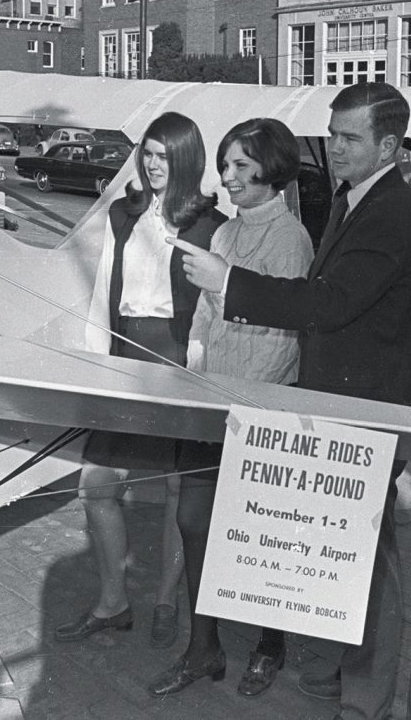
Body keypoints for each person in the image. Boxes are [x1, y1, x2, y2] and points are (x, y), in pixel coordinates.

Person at [174, 82, 411, 720]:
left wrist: (228, 281)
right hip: (344, 404)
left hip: (371, 410)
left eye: (350, 139)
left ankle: (368, 699)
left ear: (389, 145)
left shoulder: (395, 212)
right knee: (348, 551)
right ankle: (335, 677)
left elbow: (328, 304)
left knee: (370, 559)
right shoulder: (355, 199)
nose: (335, 148)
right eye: (333, 133)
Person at [148, 118, 310, 697]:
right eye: (225, 165)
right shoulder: (223, 235)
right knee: (194, 522)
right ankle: (204, 647)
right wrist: (195, 375)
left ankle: (270, 643)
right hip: (211, 404)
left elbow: (283, 334)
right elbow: (205, 314)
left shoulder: (290, 238)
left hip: (256, 411)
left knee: (258, 532)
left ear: (273, 170)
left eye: (242, 166)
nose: (229, 176)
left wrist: (239, 403)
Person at [57, 112, 221, 650]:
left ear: (186, 158)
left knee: (180, 487)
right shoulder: (123, 214)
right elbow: (104, 289)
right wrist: (95, 364)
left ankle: (168, 600)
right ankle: (113, 602)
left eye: (164, 155)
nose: (153, 165)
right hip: (127, 354)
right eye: (147, 153)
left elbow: (213, 310)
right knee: (97, 485)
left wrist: (199, 373)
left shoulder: (210, 225)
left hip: (181, 360)